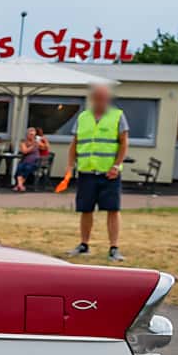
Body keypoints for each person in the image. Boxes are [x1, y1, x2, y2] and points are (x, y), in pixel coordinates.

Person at [68, 84, 128, 261]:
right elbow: (75, 143)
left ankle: (114, 247)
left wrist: (116, 165)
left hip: (109, 173)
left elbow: (124, 143)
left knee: (112, 209)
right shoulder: (83, 117)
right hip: (87, 171)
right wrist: (70, 166)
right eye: (98, 98)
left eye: (105, 98)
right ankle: (84, 244)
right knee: (86, 210)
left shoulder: (117, 116)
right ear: (92, 98)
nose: (101, 101)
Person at [14, 127, 50, 191]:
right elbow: (24, 151)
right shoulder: (23, 142)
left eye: (33, 135)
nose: (31, 136)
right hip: (25, 160)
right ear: (27, 135)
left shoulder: (37, 141)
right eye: (30, 134)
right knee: (20, 167)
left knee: (27, 168)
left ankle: (19, 185)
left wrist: (45, 140)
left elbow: (45, 148)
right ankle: (20, 185)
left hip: (35, 162)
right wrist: (33, 146)